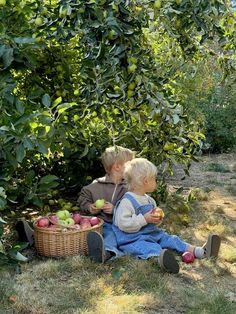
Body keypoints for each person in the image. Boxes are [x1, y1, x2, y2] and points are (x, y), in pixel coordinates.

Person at [112, 158, 221, 274]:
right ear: (145, 181)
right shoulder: (127, 202)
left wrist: (156, 220)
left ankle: (201, 251)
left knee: (172, 240)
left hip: (152, 234)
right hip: (132, 240)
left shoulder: (149, 200)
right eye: (154, 179)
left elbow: (151, 222)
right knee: (149, 248)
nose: (156, 182)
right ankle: (163, 260)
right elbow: (123, 224)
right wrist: (144, 219)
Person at [78, 145, 135, 263]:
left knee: (119, 236)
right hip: (103, 224)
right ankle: (105, 252)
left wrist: (116, 210)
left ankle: (107, 252)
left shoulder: (129, 187)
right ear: (117, 167)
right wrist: (90, 207)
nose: (134, 167)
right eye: (131, 164)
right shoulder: (97, 185)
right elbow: (84, 198)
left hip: (123, 225)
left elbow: (136, 206)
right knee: (109, 235)